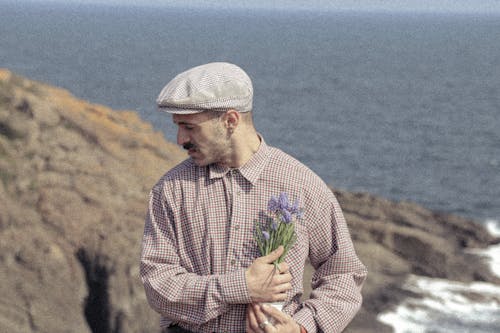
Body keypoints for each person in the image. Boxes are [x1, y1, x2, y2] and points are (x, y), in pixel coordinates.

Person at [140, 62, 367, 333]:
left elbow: (343, 273)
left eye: (189, 127)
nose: (180, 139)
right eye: (178, 126)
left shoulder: (302, 185)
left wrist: (302, 329)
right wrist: (241, 287)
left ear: (230, 121)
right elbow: (158, 283)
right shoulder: (170, 191)